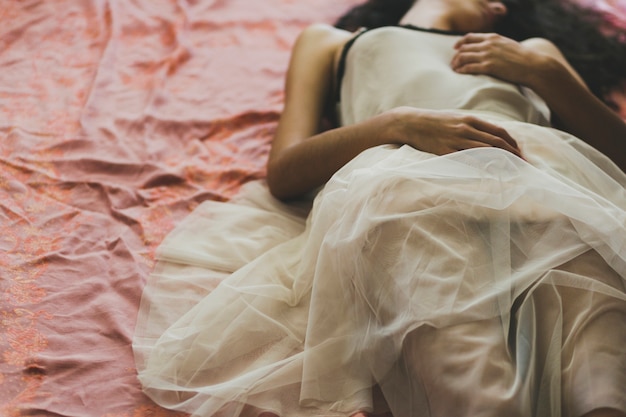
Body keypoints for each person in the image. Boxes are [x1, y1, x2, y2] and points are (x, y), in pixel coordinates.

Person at [133, 1, 626, 417]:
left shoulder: (534, 53)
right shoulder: (332, 42)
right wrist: (398, 124)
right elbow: (284, 172)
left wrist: (543, 72)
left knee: (600, 369)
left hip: (546, 182)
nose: (497, 3)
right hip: (406, 180)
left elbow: (615, 162)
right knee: (472, 375)